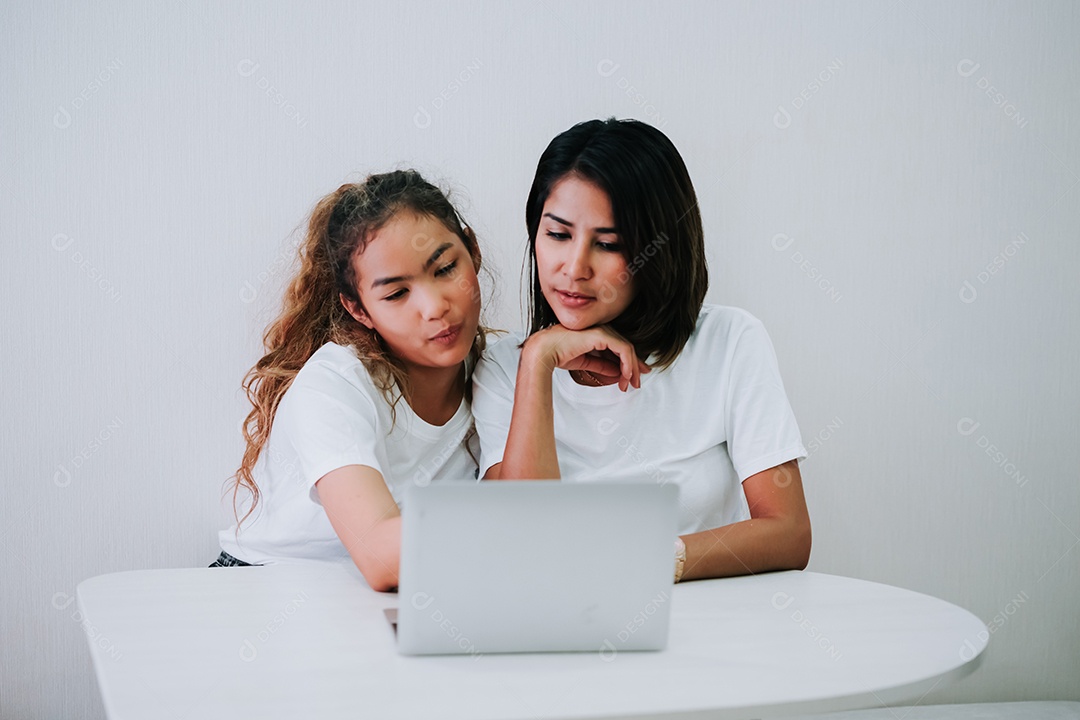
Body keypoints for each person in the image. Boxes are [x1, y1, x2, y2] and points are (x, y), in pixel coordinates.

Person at [472, 118, 811, 582]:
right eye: (557, 234)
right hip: (557, 623)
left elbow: (788, 533)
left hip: (710, 624)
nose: (574, 268)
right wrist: (537, 361)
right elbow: (519, 540)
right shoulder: (503, 363)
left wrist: (643, 560)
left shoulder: (730, 341)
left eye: (608, 244)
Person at [213, 170, 486, 592]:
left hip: (388, 595)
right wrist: (517, 523)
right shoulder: (335, 383)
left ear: (474, 251)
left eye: (446, 268)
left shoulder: (500, 371)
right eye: (396, 294)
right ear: (359, 310)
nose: (434, 308)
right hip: (261, 585)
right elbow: (381, 558)